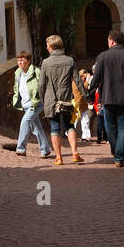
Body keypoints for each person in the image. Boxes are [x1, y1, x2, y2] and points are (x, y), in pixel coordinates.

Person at [84, 29, 124, 167]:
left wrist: (90, 94)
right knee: (123, 127)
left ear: (112, 41)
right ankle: (119, 156)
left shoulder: (102, 57)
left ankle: (116, 152)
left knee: (110, 127)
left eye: (108, 40)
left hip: (107, 97)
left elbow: (96, 79)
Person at [39, 35, 82, 165]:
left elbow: (41, 84)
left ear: (51, 46)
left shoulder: (46, 62)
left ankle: (58, 157)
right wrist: (87, 96)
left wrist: (42, 99)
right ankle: (75, 153)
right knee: (70, 126)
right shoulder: (69, 61)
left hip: (51, 99)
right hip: (66, 98)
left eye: (47, 45)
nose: (46, 47)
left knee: (54, 127)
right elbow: (78, 81)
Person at [4, 50, 52, 157]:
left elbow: (44, 85)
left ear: (28, 61)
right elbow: (17, 87)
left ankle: (21, 148)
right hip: (25, 104)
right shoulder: (18, 73)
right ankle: (45, 149)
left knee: (25, 121)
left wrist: (43, 98)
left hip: (35, 103)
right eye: (18, 60)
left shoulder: (36, 71)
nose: (20, 62)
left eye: (22, 60)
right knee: (36, 127)